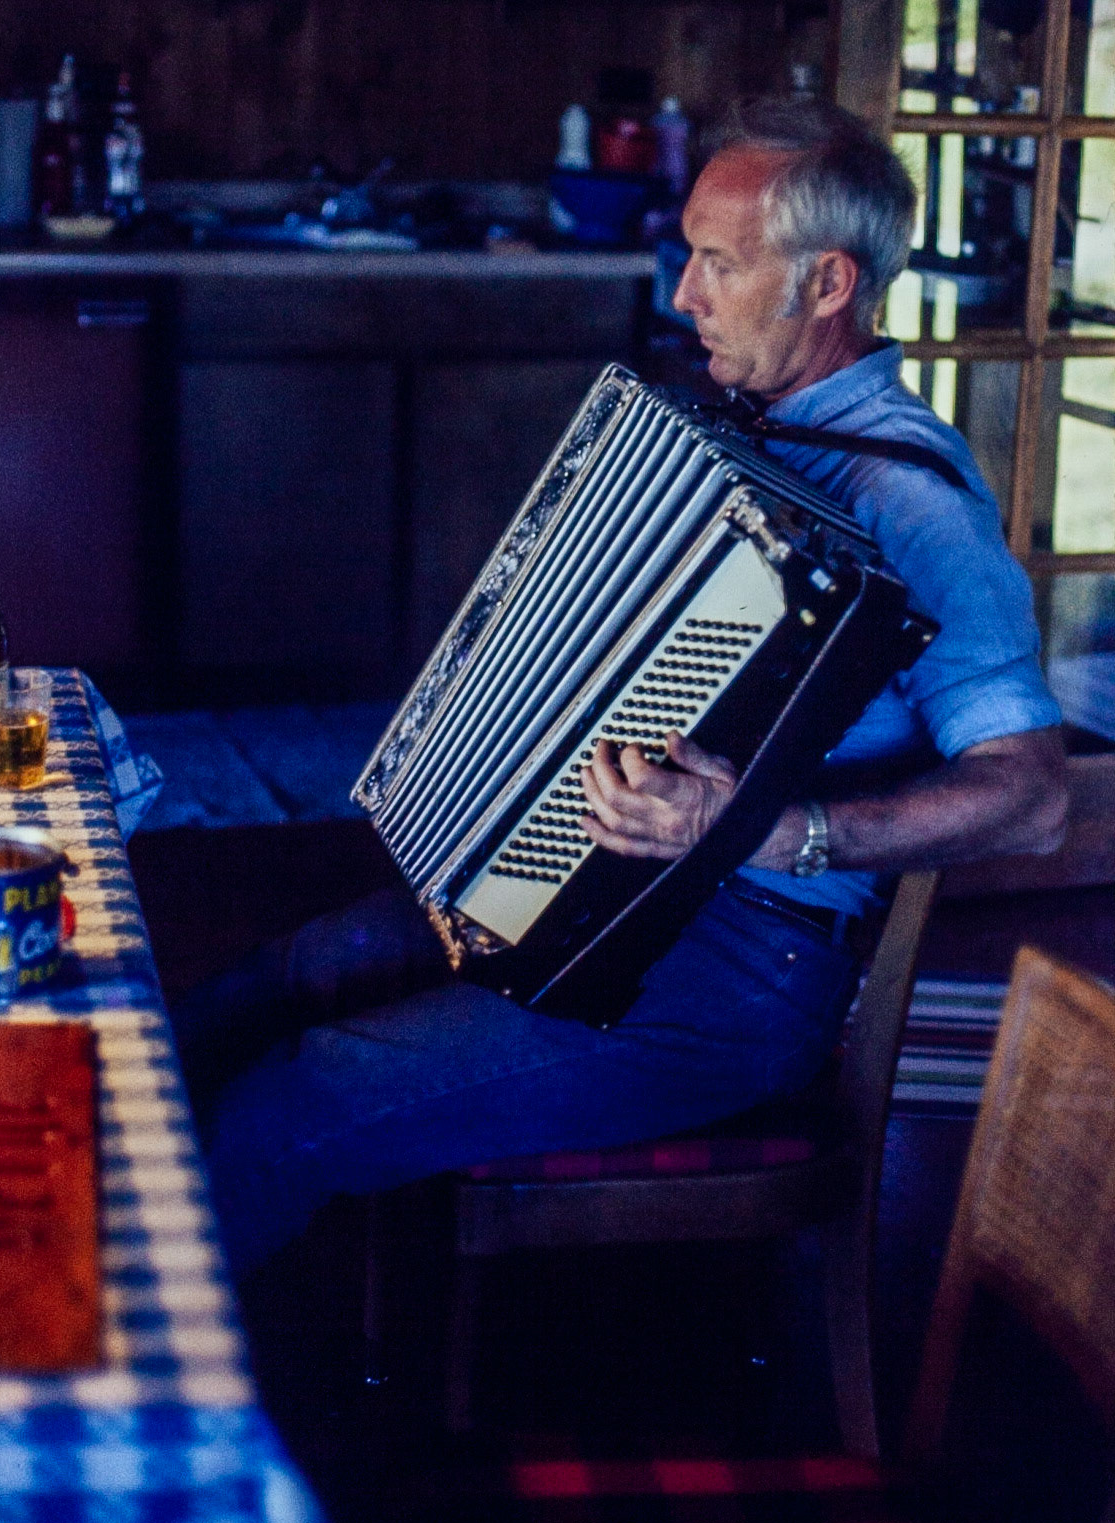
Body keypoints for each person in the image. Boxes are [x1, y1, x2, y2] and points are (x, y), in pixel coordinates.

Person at [175, 97, 1066, 1276]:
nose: (684, 293)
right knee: (283, 980)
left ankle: (123, 1360)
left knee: (297, 1099)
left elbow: (1031, 796)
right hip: (598, 885)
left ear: (827, 283)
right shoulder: (754, 430)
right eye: (688, 255)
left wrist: (776, 831)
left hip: (740, 973)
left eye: (718, 262)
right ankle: (39, 1189)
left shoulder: (915, 503)